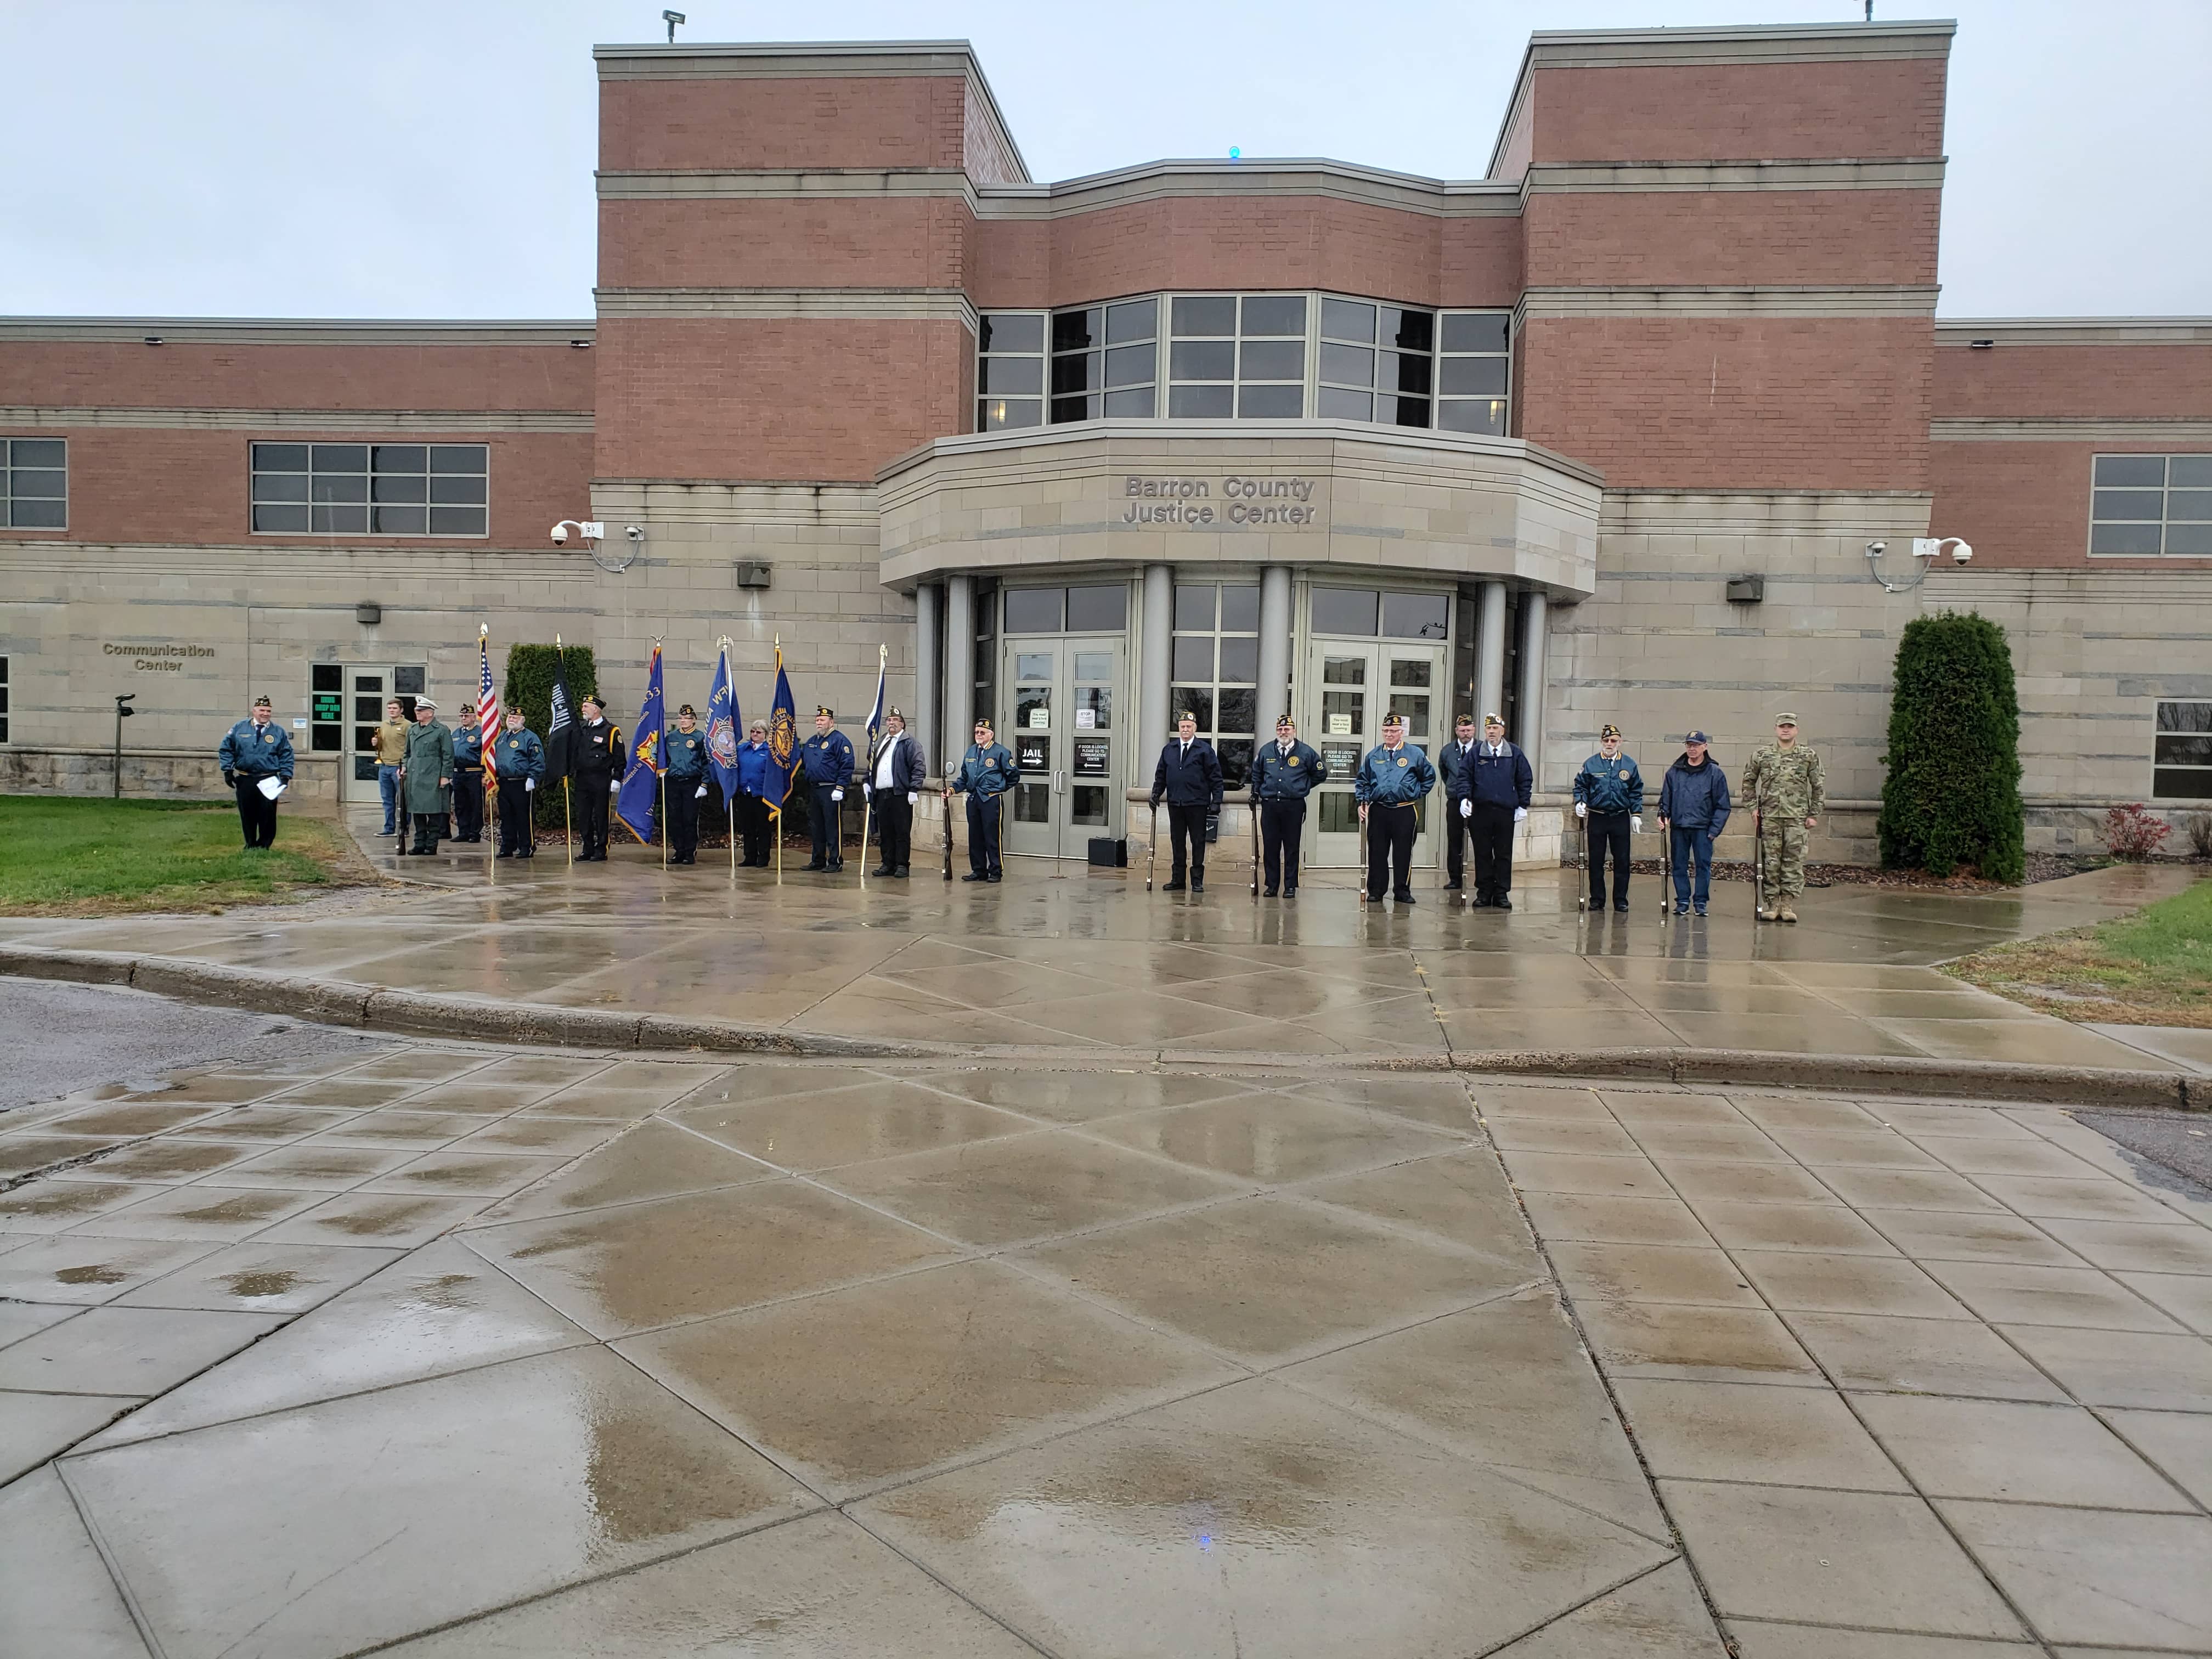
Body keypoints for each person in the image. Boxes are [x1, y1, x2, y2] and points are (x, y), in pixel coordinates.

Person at [1743, 712, 1825, 923]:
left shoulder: (1808, 755)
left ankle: (1787, 905)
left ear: (1796, 730)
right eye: (1782, 727)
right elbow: (1748, 783)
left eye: (1790, 726)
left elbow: (1818, 786)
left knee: (1793, 862)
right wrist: (1753, 808)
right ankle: (1772, 904)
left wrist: (1814, 814)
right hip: (1770, 817)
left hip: (1797, 818)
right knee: (1770, 863)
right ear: (1776, 729)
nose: (1786, 730)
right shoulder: (1762, 755)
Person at [1353, 710, 1437, 904]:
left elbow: (1429, 777)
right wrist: (1362, 802)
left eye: (1393, 731)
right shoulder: (1374, 755)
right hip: (1379, 809)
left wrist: (1415, 793)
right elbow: (1363, 781)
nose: (1389, 735)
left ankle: (1402, 891)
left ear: (1401, 732)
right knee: (1377, 852)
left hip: (1405, 809)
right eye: (1385, 731)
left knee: (1403, 852)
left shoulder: (1415, 754)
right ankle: (1376, 890)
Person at [1250, 713, 1327, 898]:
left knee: (1292, 847)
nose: (1284, 732)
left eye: (1287, 729)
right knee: (1271, 846)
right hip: (1270, 805)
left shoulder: (1306, 752)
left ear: (1294, 731)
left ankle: (1290, 886)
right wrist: (1255, 792)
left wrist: (1302, 786)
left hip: (1293, 806)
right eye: (1280, 729)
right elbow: (1256, 774)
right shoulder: (1267, 751)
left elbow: (1320, 773)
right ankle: (1272, 885)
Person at [1656, 730, 1730, 916]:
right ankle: (1682, 901)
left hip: (1703, 829)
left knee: (1703, 866)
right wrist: (1662, 814)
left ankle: (1700, 902)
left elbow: (1723, 805)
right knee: (1679, 865)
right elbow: (1666, 798)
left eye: (1696, 745)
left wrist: (1714, 831)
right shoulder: (1675, 771)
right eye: (1689, 745)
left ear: (1705, 747)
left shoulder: (1715, 773)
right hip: (1679, 827)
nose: (1692, 749)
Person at [1573, 723, 1645, 912]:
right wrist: (1580, 802)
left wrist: (1636, 814)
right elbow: (1581, 786)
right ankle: (1597, 899)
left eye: (1613, 741)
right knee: (1596, 861)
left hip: (1620, 817)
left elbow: (1636, 791)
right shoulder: (1591, 764)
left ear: (1620, 742)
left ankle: (1621, 900)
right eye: (1606, 740)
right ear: (1601, 742)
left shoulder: (1629, 764)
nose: (1609, 744)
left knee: (1622, 860)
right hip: (1598, 817)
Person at [1150, 710, 1222, 894]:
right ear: (1179, 729)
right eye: (1182, 727)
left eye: (1189, 727)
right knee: (1177, 841)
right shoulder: (1169, 750)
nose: (1185, 730)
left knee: (1198, 842)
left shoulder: (1204, 750)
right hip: (1176, 803)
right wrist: (1155, 795)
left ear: (1195, 728)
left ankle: (1197, 881)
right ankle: (1178, 879)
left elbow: (1216, 778)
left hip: (1197, 804)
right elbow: (1161, 776)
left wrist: (1217, 801)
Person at [1465, 713, 1532, 909]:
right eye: (1489, 729)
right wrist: (1465, 799)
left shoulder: (1514, 753)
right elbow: (1465, 777)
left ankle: (1502, 893)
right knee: (1483, 853)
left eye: (1495, 729)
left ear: (1503, 731)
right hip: (1481, 811)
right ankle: (1484, 892)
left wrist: (1523, 805)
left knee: (1503, 854)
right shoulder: (1476, 753)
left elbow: (1525, 779)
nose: (1492, 732)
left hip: (1505, 811)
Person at [218, 694, 294, 850]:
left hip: (269, 778)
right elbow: (226, 749)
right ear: (254, 711)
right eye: (262, 710)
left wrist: (286, 776)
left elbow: (286, 755)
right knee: (247, 814)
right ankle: (250, 843)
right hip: (246, 779)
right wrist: (227, 770)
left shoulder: (278, 732)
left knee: (268, 814)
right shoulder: (240, 728)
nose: (266, 714)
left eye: (268, 711)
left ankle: (264, 845)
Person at [950, 716, 1018, 881]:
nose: (979, 734)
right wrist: (952, 790)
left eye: (982, 732)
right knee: (975, 837)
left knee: (992, 837)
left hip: (990, 800)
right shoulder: (972, 751)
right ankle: (979, 870)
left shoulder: (1001, 752)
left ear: (991, 734)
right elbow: (964, 777)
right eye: (976, 732)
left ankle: (995, 871)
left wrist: (998, 788)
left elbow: (1013, 775)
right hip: (974, 800)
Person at [865, 708, 925, 878]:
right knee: (886, 831)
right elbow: (872, 764)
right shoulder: (881, 741)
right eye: (889, 720)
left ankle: (902, 864)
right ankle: (887, 863)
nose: (891, 723)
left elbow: (918, 767)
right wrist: (867, 782)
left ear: (902, 724)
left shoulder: (909, 743)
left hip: (900, 794)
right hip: (882, 794)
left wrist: (914, 788)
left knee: (901, 831)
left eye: (895, 720)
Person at [800, 706, 855, 872]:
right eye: (817, 720)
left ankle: (835, 861)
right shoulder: (812, 742)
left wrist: (840, 787)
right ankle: (818, 860)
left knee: (833, 827)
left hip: (831, 790)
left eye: (822, 720)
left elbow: (847, 766)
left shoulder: (839, 741)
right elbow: (801, 762)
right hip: (815, 790)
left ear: (831, 722)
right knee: (817, 827)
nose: (819, 723)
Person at [397, 695, 453, 857]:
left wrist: (445, 776)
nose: (417, 713)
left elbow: (448, 755)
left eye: (421, 711)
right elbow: (407, 753)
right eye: (417, 710)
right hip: (415, 777)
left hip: (433, 776)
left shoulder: (441, 730)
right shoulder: (413, 729)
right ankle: (419, 844)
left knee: (434, 813)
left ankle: (431, 844)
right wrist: (404, 767)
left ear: (430, 713)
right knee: (418, 812)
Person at [571, 693, 621, 861]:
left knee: (601, 815)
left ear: (596, 709)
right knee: (584, 815)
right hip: (582, 778)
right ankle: (587, 848)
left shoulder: (611, 731)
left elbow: (620, 758)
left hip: (601, 779)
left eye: (586, 706)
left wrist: (617, 778)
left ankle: (601, 849)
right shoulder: (582, 728)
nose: (583, 708)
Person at [490, 707, 543, 859]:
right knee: (506, 817)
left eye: (516, 717)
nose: (512, 720)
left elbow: (537, 760)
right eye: (510, 717)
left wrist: (533, 778)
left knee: (523, 817)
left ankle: (527, 847)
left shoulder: (529, 737)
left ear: (523, 720)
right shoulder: (502, 737)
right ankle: (508, 846)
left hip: (522, 783)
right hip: (504, 783)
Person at [1437, 713, 1481, 891]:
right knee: (1454, 841)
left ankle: (1483, 880)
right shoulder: (1447, 751)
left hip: (1478, 801)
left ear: (1474, 730)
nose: (1466, 734)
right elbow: (1444, 773)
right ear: (1456, 731)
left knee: (1481, 841)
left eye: (1469, 730)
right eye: (1463, 730)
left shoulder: (1482, 748)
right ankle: (1455, 878)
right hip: (1455, 801)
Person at [663, 703, 710, 865]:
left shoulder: (700, 738)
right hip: (673, 782)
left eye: (687, 718)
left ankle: (690, 852)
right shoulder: (671, 737)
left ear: (694, 720)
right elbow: (665, 758)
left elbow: (706, 762)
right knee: (674, 818)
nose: (683, 721)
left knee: (689, 818)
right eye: (681, 718)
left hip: (692, 782)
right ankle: (679, 850)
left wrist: (704, 784)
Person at [733, 718, 775, 866]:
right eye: (752, 731)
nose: (755, 734)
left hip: (762, 795)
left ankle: (763, 857)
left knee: (763, 828)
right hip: (745, 793)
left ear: (766, 734)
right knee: (747, 827)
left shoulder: (770, 751)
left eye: (758, 732)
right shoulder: (743, 749)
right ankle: (749, 856)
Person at [450, 701, 486, 843]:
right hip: (458, 773)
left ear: (473, 718)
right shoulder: (456, 733)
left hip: (474, 773)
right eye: (462, 716)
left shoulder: (480, 733)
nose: (463, 718)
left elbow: (486, 754)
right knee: (460, 804)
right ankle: (463, 831)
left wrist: (485, 774)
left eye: (466, 716)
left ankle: (474, 833)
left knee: (475, 804)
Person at [373, 698, 408, 836]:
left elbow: (410, 747)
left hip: (399, 768)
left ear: (401, 710)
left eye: (394, 708)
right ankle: (389, 828)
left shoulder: (407, 726)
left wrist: (405, 765)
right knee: (387, 801)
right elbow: (381, 745)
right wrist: (375, 743)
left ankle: (404, 828)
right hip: (384, 766)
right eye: (389, 708)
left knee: (403, 801)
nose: (392, 711)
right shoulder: (384, 725)